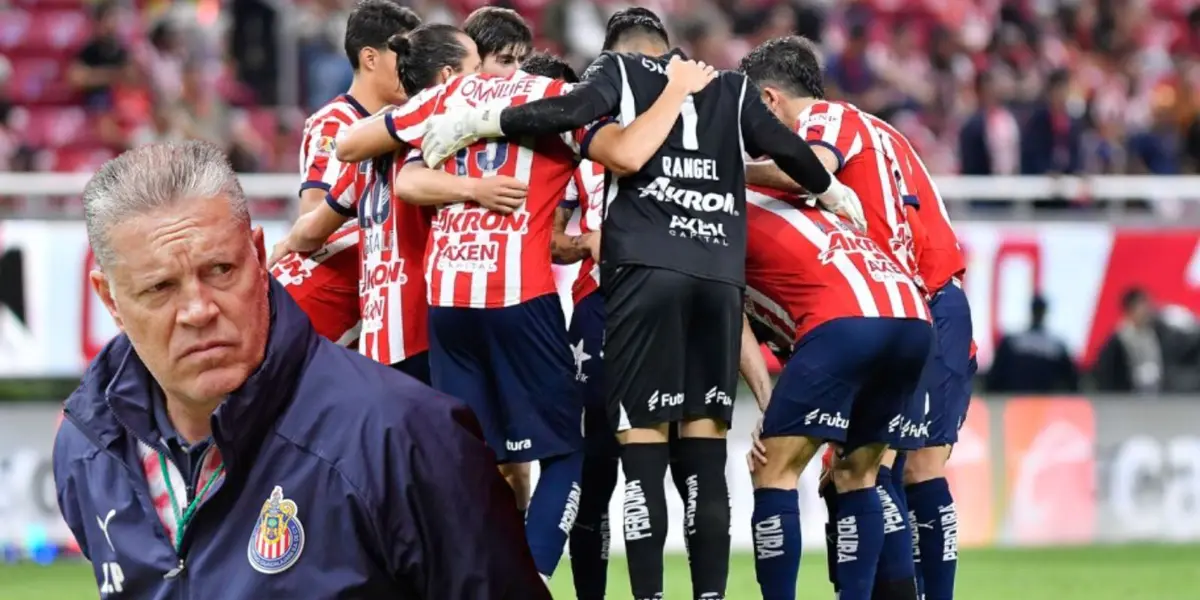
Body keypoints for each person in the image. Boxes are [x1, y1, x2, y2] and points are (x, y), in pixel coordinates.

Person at [412, 9, 864, 599]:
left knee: (641, 453)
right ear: (670, 49)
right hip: (716, 282)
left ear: (617, 52)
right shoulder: (728, 86)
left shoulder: (618, 73)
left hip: (643, 280)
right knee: (704, 457)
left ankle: (646, 596)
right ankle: (709, 596)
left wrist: (482, 122)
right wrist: (832, 190)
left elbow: (570, 112)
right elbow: (787, 148)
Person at [52, 141, 550, 599]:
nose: (198, 310)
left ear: (259, 255)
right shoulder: (88, 447)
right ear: (110, 299)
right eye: (160, 287)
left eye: (220, 270)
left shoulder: (404, 435)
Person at [341, 17, 719, 582]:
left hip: (447, 302)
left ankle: (459, 579)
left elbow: (364, 152)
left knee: (470, 457)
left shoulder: (451, 93)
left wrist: (462, 171)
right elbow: (629, 155)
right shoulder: (558, 100)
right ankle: (532, 577)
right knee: (566, 453)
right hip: (518, 298)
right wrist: (676, 91)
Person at [740, 35, 973, 600]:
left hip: (917, 297)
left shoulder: (828, 120)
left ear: (770, 102)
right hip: (899, 301)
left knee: (904, 469)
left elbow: (806, 173)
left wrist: (722, 170)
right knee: (868, 473)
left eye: (751, 118)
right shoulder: (874, 130)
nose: (755, 141)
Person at [740, 181, 931, 600]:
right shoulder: (805, 207)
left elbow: (728, 315)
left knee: (772, 468)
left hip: (846, 321)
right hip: (913, 319)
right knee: (857, 474)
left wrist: (770, 403)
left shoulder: (722, 207)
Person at [269, 0, 421, 347]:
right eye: (404, 57)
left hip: (372, 302)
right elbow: (314, 214)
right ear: (370, 58)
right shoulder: (335, 124)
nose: (413, 70)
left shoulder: (401, 124)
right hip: (320, 305)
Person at [988, 295, 1079, 393]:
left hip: (1037, 401)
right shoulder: (1057, 347)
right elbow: (1072, 383)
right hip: (1023, 400)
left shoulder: (1012, 342)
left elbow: (994, 379)